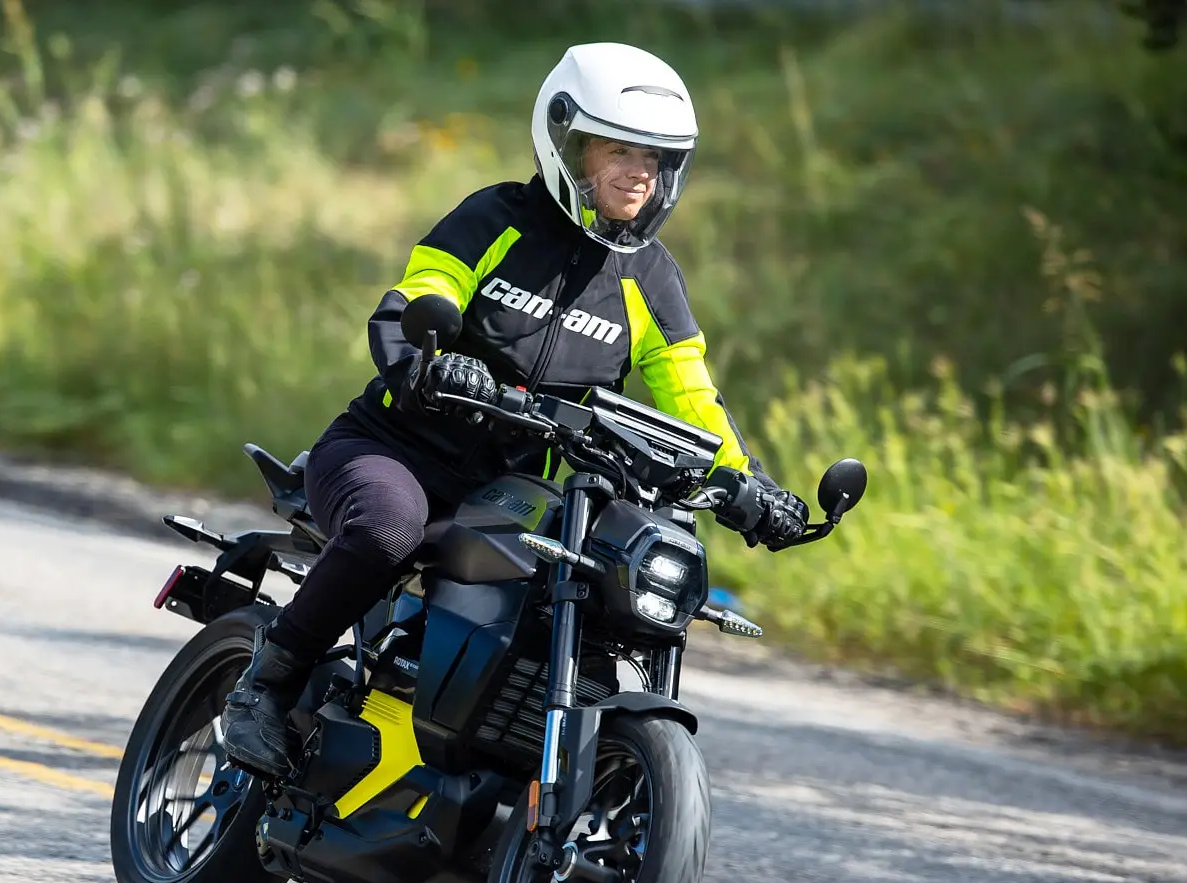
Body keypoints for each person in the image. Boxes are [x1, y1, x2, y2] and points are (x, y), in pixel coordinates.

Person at [219, 42, 809, 777]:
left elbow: (692, 394)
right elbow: (414, 296)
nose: (638, 174)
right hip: (392, 450)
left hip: (512, 489)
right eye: (618, 150)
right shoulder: (496, 217)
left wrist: (748, 487)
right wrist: (429, 363)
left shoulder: (650, 279)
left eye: (654, 159)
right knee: (389, 527)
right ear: (569, 145)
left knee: (595, 583)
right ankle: (264, 687)